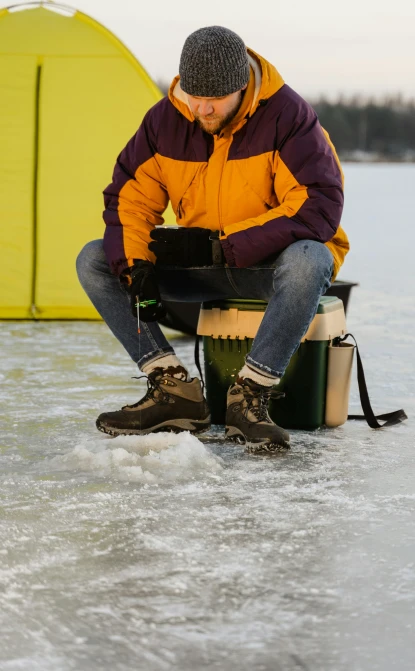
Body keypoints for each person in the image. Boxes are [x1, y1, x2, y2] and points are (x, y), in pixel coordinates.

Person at [76, 26, 349, 453]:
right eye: (192, 94)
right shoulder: (164, 121)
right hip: (205, 265)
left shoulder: (288, 116)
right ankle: (173, 391)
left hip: (267, 266)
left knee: (310, 259)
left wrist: (225, 246)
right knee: (95, 258)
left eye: (214, 98)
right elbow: (129, 199)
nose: (201, 108)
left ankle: (250, 397)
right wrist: (138, 266)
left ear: (241, 87)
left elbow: (318, 205)